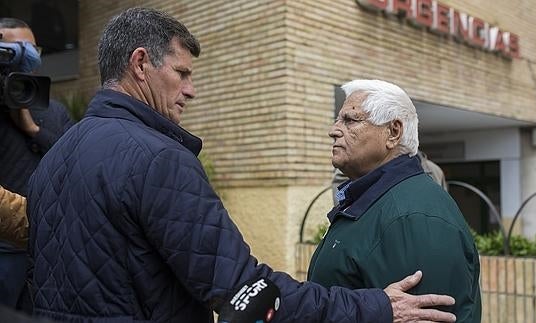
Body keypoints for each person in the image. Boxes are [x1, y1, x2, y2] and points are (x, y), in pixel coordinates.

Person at [27, 8, 457, 323]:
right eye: (182, 73)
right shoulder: (157, 159)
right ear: (140, 64)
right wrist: (377, 306)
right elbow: (243, 296)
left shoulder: (55, 157)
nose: (191, 90)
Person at [308, 80, 482, 322]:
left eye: (350, 120)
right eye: (338, 119)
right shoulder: (370, 201)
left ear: (393, 132)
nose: (334, 130)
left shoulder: (412, 216)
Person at [0, 17, 74, 309]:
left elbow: (74, 162)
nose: (26, 55)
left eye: (32, 48)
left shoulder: (54, 110)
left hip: (47, 249)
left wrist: (33, 130)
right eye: (16, 48)